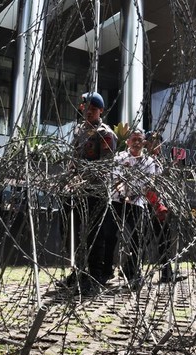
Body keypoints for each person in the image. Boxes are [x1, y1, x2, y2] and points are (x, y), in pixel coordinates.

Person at [59, 92, 117, 294]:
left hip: (96, 192)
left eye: (93, 109)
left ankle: (93, 276)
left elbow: (104, 166)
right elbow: (73, 160)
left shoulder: (106, 134)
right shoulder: (79, 132)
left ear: (100, 111)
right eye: (86, 109)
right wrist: (69, 178)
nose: (89, 112)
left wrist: (81, 181)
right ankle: (78, 271)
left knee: (94, 235)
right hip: (76, 192)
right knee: (71, 232)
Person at [111, 129, 161, 289]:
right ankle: (107, 270)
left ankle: (132, 272)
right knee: (111, 235)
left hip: (137, 203)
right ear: (128, 142)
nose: (137, 142)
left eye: (140, 139)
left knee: (135, 239)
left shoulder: (148, 162)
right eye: (134, 139)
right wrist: (122, 193)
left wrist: (132, 196)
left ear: (144, 143)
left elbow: (149, 183)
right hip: (117, 201)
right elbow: (115, 177)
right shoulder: (120, 157)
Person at [144, 131, 186, 283]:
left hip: (157, 205)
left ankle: (167, 273)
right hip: (147, 205)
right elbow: (148, 185)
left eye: (159, 142)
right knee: (143, 239)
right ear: (146, 143)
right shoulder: (144, 160)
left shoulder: (158, 161)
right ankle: (130, 272)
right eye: (153, 142)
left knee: (164, 238)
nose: (157, 145)